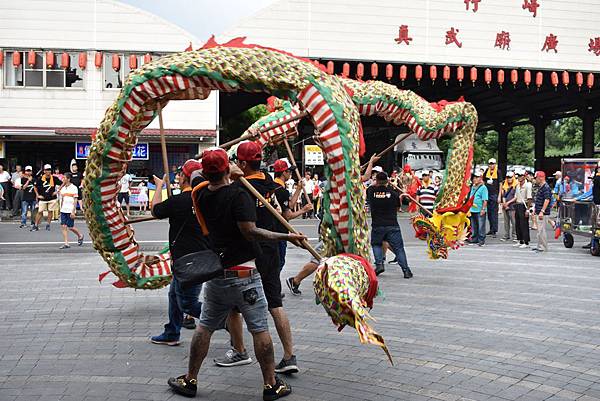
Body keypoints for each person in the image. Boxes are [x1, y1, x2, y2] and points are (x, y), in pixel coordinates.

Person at [168, 147, 303, 400]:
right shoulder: (239, 196)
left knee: (204, 327)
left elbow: (197, 175)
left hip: (219, 275)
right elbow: (250, 231)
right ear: (227, 168)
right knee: (260, 329)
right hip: (246, 275)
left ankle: (190, 379)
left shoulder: (200, 194)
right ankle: (270, 385)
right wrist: (287, 236)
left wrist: (229, 172)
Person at [216, 142, 299, 375]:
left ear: (242, 163)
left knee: (234, 306)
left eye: (237, 161)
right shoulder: (272, 185)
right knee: (275, 302)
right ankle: (289, 355)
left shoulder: (239, 189)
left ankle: (241, 351)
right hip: (271, 250)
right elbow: (285, 214)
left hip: (246, 253)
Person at [150, 160, 206, 346]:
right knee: (174, 295)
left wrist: (159, 186)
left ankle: (228, 321)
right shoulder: (204, 198)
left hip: (188, 262)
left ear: (183, 178)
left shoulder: (178, 201)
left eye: (181, 174)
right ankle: (172, 332)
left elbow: (155, 209)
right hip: (198, 258)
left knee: (188, 304)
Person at [366, 171, 413, 278]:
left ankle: (379, 265)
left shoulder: (371, 191)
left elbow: (371, 187)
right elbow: (398, 208)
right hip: (392, 224)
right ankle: (406, 270)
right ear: (387, 181)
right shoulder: (394, 193)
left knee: (376, 244)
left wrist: (377, 183)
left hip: (377, 224)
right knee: (399, 248)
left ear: (376, 180)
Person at [272, 159, 312, 271]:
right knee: (278, 263)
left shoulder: (273, 186)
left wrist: (298, 189)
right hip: (280, 231)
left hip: (272, 230)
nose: (291, 174)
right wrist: (303, 210)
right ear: (284, 172)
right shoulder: (281, 190)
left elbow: (289, 204)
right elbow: (287, 215)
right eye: (289, 171)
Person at [58, 173, 84, 249]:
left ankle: (80, 235)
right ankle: (66, 243)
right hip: (64, 210)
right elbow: (62, 199)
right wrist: (61, 209)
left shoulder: (74, 188)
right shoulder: (63, 188)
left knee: (70, 227)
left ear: (68, 179)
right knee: (63, 226)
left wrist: (73, 211)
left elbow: (75, 200)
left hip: (70, 209)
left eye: (64, 178)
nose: (63, 179)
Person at [32, 164, 62, 231]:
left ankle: (48, 225)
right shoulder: (40, 179)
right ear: (44, 171)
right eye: (47, 170)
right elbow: (35, 187)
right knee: (40, 212)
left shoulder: (54, 178)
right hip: (43, 198)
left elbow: (62, 183)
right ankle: (36, 225)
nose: (48, 171)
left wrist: (57, 191)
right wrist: (37, 195)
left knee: (50, 212)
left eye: (49, 170)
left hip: (52, 198)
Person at [532, 171, 551, 253]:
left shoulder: (546, 187)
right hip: (539, 211)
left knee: (541, 231)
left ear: (540, 177)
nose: (535, 179)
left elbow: (547, 200)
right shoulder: (542, 187)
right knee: (539, 230)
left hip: (542, 212)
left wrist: (542, 211)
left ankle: (543, 247)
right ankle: (539, 246)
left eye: (536, 178)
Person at [468, 171, 488, 246]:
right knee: (474, 225)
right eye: (474, 178)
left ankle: (481, 240)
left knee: (481, 225)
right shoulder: (472, 187)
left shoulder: (483, 188)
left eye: (477, 177)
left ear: (480, 178)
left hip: (480, 209)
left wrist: (483, 209)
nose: (475, 179)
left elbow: (485, 200)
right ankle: (474, 238)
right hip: (472, 209)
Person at [513, 170, 532, 249]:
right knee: (518, 224)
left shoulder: (528, 185)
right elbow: (515, 197)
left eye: (521, 176)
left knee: (524, 224)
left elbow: (529, 198)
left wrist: (528, 209)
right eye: (518, 176)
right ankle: (520, 240)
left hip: (524, 205)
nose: (519, 177)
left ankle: (526, 241)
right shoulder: (517, 185)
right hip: (518, 204)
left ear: (524, 176)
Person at [500, 171, 517, 242]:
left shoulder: (516, 185)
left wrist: (508, 203)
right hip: (505, 206)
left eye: (510, 177)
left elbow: (516, 197)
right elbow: (503, 195)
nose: (509, 179)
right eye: (508, 177)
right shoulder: (505, 185)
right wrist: (504, 204)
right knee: (506, 222)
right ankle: (506, 235)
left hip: (513, 206)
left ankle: (515, 236)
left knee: (514, 222)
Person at [483, 158, 499, 237]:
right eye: (490, 164)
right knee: (489, 213)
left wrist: (499, 196)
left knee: (494, 213)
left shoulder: (498, 172)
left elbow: (501, 184)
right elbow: (483, 181)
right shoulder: (486, 171)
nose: (491, 165)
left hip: (495, 194)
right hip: (487, 194)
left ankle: (494, 230)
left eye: (493, 164)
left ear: (495, 164)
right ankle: (491, 228)